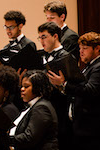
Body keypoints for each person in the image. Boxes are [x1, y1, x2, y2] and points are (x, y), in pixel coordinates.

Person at [47, 32, 100, 149]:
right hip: (79, 126)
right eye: (80, 48)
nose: (81, 51)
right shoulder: (88, 66)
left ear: (97, 48)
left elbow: (90, 90)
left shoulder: (98, 67)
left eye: (85, 48)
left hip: (90, 129)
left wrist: (64, 84)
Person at [0, 70, 58, 150]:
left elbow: (29, 138)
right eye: (22, 86)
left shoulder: (42, 107)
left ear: (37, 88)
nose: (22, 89)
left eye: (26, 86)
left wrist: (3, 138)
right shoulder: (33, 106)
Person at [38, 21, 75, 149]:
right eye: (40, 37)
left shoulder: (66, 57)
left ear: (55, 36)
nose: (41, 41)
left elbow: (75, 88)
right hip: (45, 110)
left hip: (60, 112)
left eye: (44, 37)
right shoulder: (41, 56)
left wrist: (62, 85)